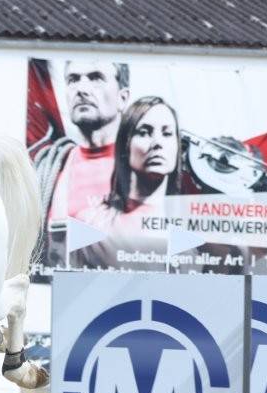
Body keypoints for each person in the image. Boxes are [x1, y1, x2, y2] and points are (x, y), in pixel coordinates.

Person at [77, 97, 181, 265]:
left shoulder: (188, 232)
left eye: (167, 133)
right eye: (144, 132)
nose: (157, 143)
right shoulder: (90, 223)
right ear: (126, 145)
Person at [33, 60, 132, 226]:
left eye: (96, 78)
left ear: (122, 98)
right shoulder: (50, 168)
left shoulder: (148, 165)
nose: (81, 90)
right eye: (73, 80)